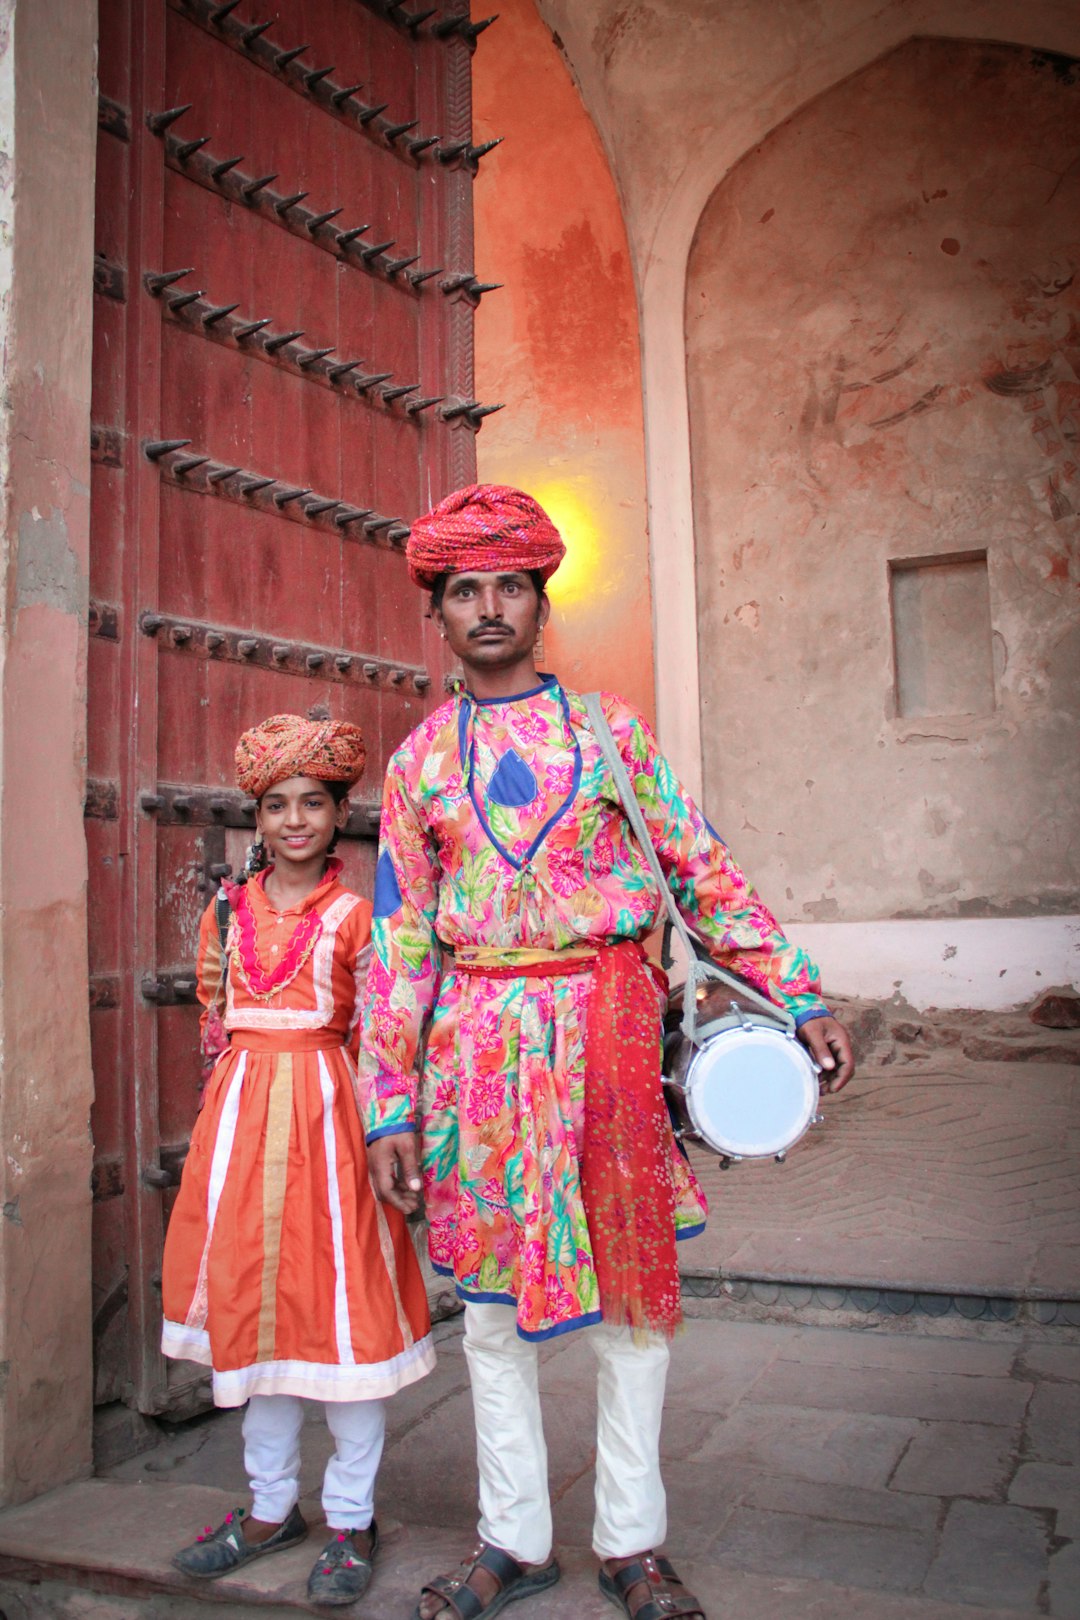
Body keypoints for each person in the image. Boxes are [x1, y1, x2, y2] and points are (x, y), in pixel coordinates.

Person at [357, 484, 855, 1620]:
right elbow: (398, 948)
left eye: (510, 587)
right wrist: (388, 1105)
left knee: (635, 1303)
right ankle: (515, 1540)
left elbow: (702, 872)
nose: (489, 607)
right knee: (490, 1314)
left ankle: (634, 1545)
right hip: (477, 1061)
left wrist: (799, 991)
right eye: (465, 590)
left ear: (541, 603)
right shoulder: (420, 765)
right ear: (437, 613)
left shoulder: (609, 735)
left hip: (611, 1040)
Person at [162, 713, 434, 1607]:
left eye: (311, 803)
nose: (292, 821)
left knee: (341, 1314)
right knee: (258, 1317)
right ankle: (270, 1506)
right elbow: (215, 1010)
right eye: (274, 805)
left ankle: (352, 1519)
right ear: (256, 818)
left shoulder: (360, 918)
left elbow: (386, 1025)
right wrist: (228, 1116)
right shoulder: (226, 913)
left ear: (336, 813)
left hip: (332, 1128)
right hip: (242, 1134)